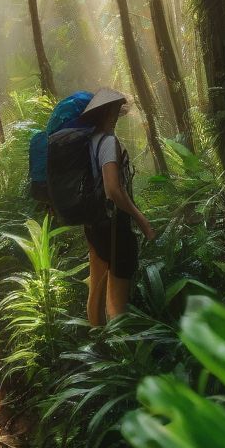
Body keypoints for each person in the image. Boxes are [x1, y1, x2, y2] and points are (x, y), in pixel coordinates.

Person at [79, 88, 156, 326]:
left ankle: (97, 339)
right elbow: (113, 188)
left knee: (97, 285)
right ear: (109, 113)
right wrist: (141, 219)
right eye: (115, 109)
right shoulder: (108, 141)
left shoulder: (89, 141)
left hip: (93, 221)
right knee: (118, 293)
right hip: (113, 224)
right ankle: (119, 344)